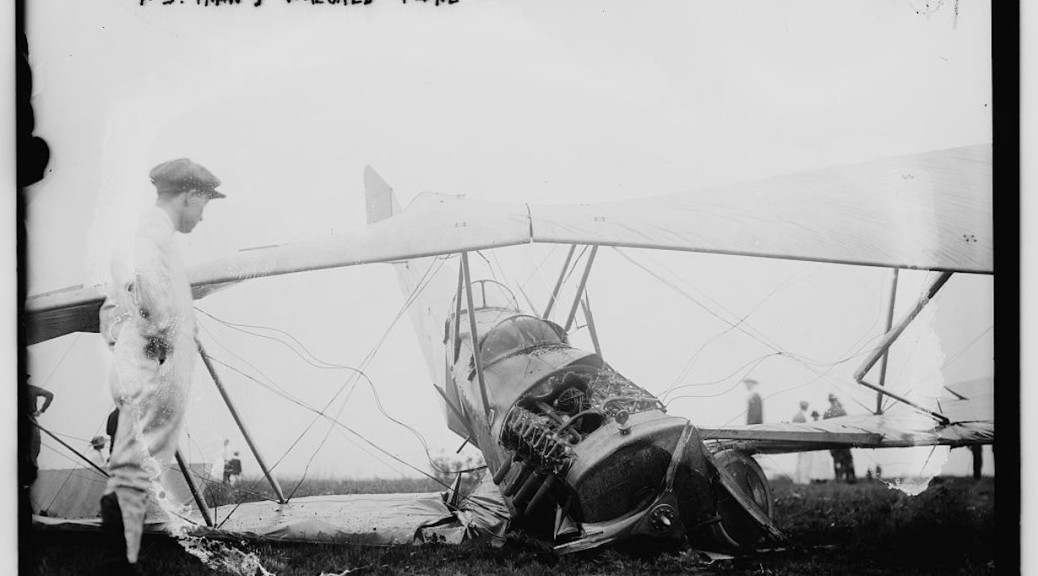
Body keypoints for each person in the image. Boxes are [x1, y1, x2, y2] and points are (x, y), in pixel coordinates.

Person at [97, 158, 226, 573]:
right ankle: (119, 564)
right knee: (137, 466)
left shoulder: (148, 232)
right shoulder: (152, 233)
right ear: (189, 196)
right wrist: (164, 338)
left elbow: (118, 306)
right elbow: (150, 294)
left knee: (138, 463)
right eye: (203, 204)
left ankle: (122, 560)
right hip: (155, 362)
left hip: (149, 359)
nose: (202, 216)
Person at [823, 393, 855, 483]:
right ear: (836, 400)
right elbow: (849, 424)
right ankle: (850, 478)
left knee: (836, 460)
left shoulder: (826, 413)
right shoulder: (842, 411)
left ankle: (838, 478)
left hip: (833, 440)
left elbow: (823, 427)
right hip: (843, 439)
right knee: (848, 459)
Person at [792, 401, 810, 483]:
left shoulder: (796, 416)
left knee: (799, 461)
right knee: (804, 460)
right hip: (803, 440)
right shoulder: (803, 416)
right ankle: (803, 479)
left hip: (797, 440)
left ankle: (798, 479)